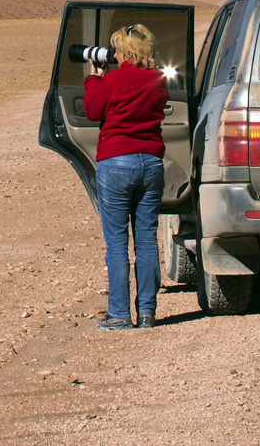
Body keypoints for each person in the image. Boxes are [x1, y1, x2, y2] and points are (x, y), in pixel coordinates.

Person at [83, 23, 167, 330]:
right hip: (152, 163)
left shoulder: (115, 78)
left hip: (116, 161)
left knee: (117, 243)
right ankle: (147, 313)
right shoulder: (159, 79)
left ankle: (118, 315)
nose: (114, 54)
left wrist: (94, 78)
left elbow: (93, 111)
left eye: (116, 49)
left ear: (127, 51)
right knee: (146, 241)